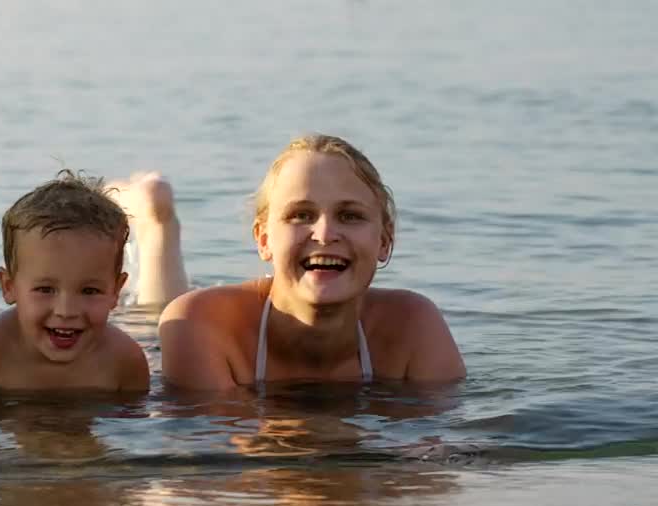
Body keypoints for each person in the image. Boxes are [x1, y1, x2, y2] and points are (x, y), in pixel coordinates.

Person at [157, 134, 466, 389]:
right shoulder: (200, 323)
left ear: (384, 241)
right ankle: (158, 225)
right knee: (155, 307)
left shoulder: (413, 325)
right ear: (264, 240)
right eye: (301, 215)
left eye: (350, 216)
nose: (325, 233)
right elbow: (210, 455)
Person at [0, 171, 150, 393]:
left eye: (89, 291)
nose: (66, 311)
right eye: (46, 289)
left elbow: (132, 422)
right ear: (9, 287)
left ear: (116, 291)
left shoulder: (125, 360)